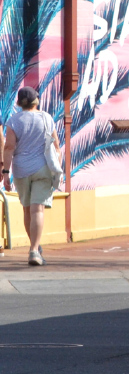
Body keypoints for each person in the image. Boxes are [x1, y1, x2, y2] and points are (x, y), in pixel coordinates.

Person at [1, 86, 61, 265]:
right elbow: (56, 146)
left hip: (21, 170)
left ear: (19, 103)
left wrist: (5, 173)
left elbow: (9, 147)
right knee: (37, 209)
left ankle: (34, 246)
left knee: (27, 209)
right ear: (36, 101)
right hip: (43, 168)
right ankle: (34, 250)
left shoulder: (14, 121)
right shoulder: (47, 118)